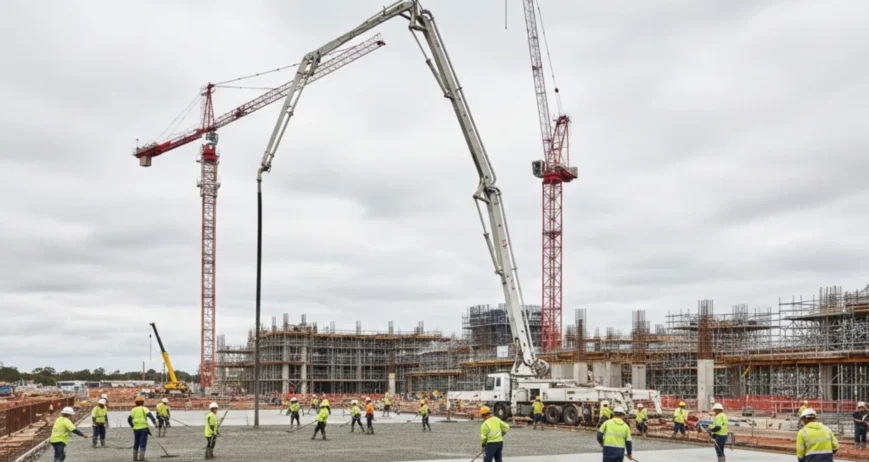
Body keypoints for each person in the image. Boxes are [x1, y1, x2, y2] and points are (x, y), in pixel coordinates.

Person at [127, 396, 157, 461]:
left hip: (136, 429)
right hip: (144, 428)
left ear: (136, 403)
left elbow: (129, 419)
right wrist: (155, 422)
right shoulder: (144, 408)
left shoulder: (133, 410)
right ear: (143, 402)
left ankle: (135, 458)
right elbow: (150, 415)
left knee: (136, 442)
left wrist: (133, 426)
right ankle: (142, 458)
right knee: (143, 442)